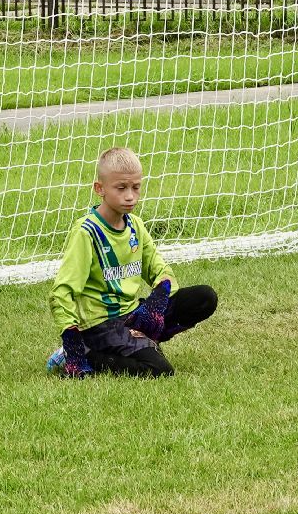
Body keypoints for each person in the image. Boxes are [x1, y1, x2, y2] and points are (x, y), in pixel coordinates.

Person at [46, 146, 217, 378]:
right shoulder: (86, 233)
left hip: (134, 315)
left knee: (204, 297)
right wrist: (71, 337)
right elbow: (61, 292)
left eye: (136, 187)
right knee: (160, 370)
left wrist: (158, 299)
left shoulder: (135, 225)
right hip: (101, 325)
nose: (130, 195)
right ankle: (85, 355)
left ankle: (141, 338)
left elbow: (160, 270)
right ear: (100, 189)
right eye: (121, 188)